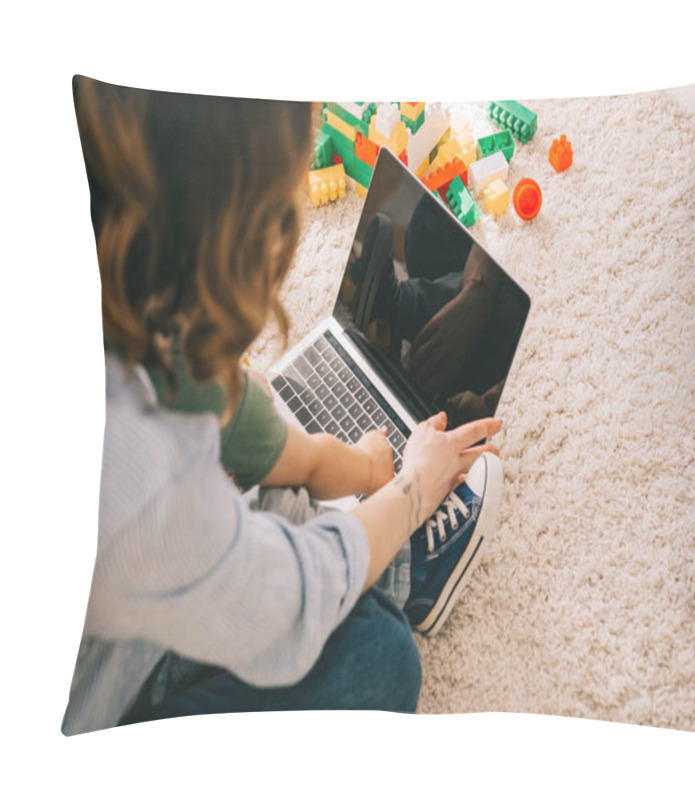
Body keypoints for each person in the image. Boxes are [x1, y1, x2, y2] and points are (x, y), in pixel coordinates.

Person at [62, 76, 503, 735]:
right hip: (111, 695)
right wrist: (413, 490)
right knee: (382, 658)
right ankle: (407, 569)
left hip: (102, 611)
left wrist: (349, 466)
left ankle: (399, 331)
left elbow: (251, 426)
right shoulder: (144, 474)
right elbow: (292, 597)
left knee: (262, 414)